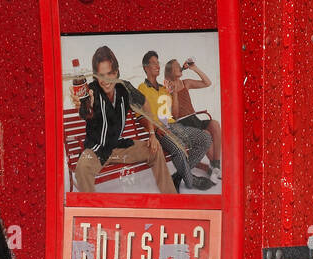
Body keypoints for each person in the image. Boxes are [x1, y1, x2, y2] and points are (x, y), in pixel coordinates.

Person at [73, 45, 175, 194]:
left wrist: (152, 134)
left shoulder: (124, 88)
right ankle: (93, 214)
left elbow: (145, 104)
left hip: (119, 147)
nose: (106, 80)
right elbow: (85, 110)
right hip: (96, 151)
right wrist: (82, 105)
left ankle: (171, 201)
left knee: (155, 150)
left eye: (109, 73)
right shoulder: (91, 90)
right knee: (81, 170)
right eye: (101, 75)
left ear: (116, 72)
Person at [137, 51, 214, 192]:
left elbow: (175, 114)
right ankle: (191, 180)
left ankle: (178, 176)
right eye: (154, 63)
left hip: (174, 126)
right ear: (146, 67)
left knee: (206, 138)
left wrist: (174, 93)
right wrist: (155, 130)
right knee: (179, 149)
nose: (158, 65)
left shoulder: (163, 89)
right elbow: (141, 116)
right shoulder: (142, 89)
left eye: (158, 62)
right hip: (159, 130)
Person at [163, 58, 222, 185]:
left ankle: (216, 165)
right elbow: (175, 114)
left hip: (195, 118)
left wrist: (194, 68)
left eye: (180, 65)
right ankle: (214, 168)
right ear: (170, 72)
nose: (180, 67)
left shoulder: (186, 83)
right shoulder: (167, 89)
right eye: (176, 66)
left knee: (215, 124)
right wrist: (174, 93)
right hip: (183, 123)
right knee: (205, 133)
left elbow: (208, 83)